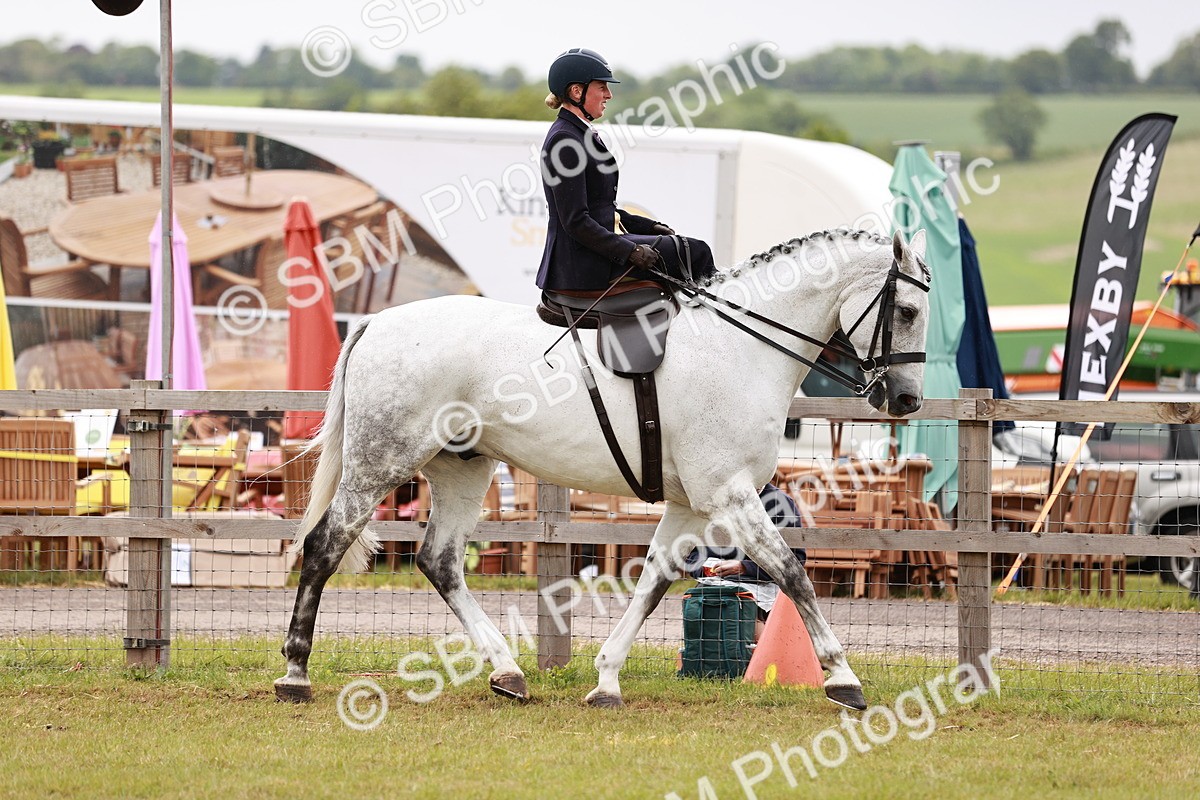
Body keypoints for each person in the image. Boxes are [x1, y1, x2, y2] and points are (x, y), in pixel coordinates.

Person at [536, 48, 717, 294]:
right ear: (576, 91)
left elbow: (601, 208)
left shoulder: (579, 134)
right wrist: (629, 251)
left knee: (686, 249)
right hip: (582, 264)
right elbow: (575, 221)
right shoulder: (564, 141)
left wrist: (648, 226)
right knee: (695, 251)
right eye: (602, 87)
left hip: (596, 251)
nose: (609, 95)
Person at [680, 483, 807, 640]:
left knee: (741, 608)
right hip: (712, 583)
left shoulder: (779, 501)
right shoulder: (710, 500)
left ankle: (761, 659)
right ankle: (705, 659)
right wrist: (703, 567)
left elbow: (796, 559)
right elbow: (689, 553)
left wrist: (744, 567)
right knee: (698, 606)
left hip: (761, 583)